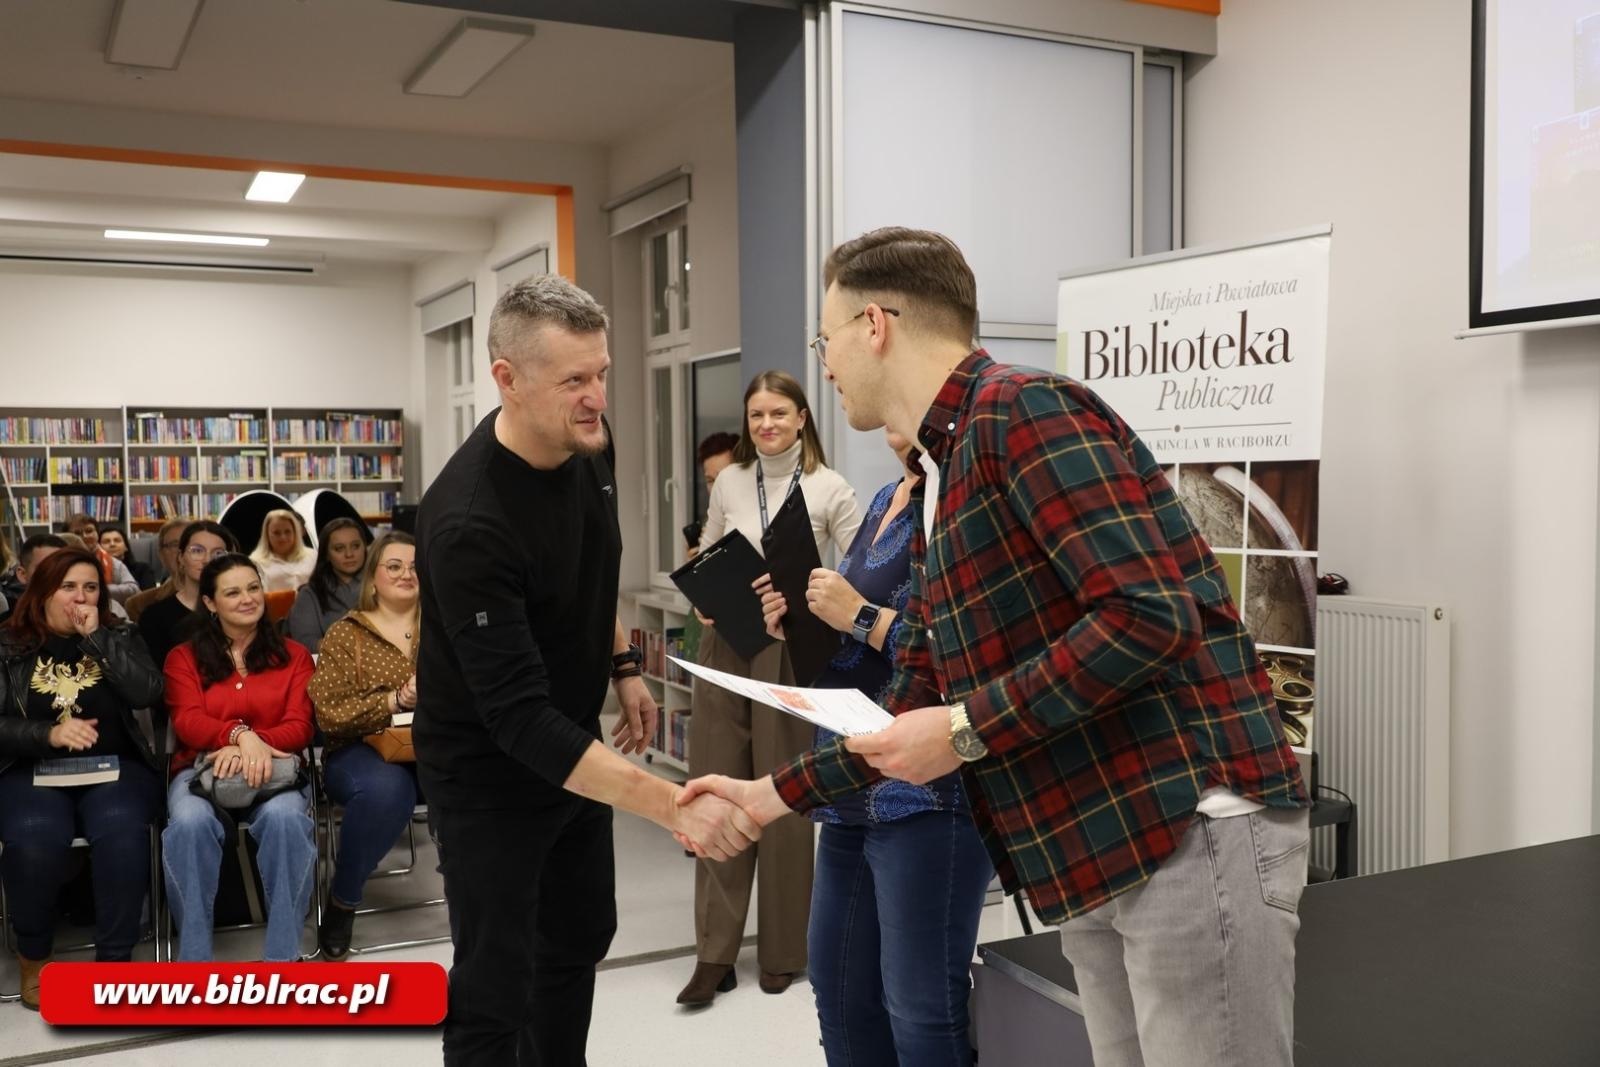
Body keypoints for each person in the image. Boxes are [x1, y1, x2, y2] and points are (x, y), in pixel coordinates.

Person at [682, 228, 1312, 1067]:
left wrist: (965, 728)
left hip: (1187, 825)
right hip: (1099, 845)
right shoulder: (947, 473)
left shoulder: (1022, 412)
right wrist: (766, 795)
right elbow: (915, 695)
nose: (823, 362)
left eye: (823, 337)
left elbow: (1148, 614)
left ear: (875, 324)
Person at [415, 274, 761, 1066]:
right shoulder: (470, 523)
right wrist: (675, 803)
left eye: (601, 371)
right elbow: (517, 718)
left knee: (576, 940)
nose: (597, 396)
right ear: (506, 379)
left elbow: (587, 571)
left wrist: (623, 666)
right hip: (490, 775)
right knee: (496, 982)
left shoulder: (588, 447)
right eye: (574, 379)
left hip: (574, 754)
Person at [755, 428, 992, 1064]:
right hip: (851, 775)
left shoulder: (966, 502)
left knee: (919, 1009)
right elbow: (854, 632)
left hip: (927, 790)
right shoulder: (889, 495)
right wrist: (801, 622)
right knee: (837, 992)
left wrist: (856, 615)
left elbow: (966, 657)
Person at [678, 369, 862, 1007]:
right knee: (713, 784)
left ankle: (785, 950)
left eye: (778, 413)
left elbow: (860, 574)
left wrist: (807, 607)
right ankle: (714, 955)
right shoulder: (730, 479)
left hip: (788, 652)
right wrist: (704, 599)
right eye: (756, 415)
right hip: (726, 644)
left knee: (783, 795)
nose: (766, 426)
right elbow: (708, 546)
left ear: (802, 417)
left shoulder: (829, 487)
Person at [0, 548, 165, 1009]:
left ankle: (114, 961)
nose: (81, 597)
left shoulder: (120, 633)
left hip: (113, 767)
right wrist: (46, 733)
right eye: (68, 587)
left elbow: (147, 693)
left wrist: (98, 641)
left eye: (90, 587)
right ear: (42, 591)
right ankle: (35, 956)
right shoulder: (7, 643)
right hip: (29, 769)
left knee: (122, 833)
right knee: (34, 838)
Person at [161, 553, 316, 962]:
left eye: (252, 588)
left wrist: (250, 743)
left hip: (275, 773)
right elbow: (188, 721)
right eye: (232, 592)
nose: (247, 599)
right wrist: (234, 736)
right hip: (201, 771)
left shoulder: (293, 654)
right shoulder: (183, 657)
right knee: (189, 825)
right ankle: (193, 960)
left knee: (286, 822)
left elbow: (300, 726)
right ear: (211, 603)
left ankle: (283, 958)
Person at [306, 531, 421, 959]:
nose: (407, 574)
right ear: (373, 577)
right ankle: (343, 899)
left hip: (437, 743)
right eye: (394, 566)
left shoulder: (446, 628)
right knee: (387, 790)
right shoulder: (345, 634)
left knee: (482, 777)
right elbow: (328, 714)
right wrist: (392, 701)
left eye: (414, 567)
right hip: (359, 750)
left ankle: (485, 896)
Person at [138, 521, 238, 671]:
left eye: (218, 553)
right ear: (181, 557)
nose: (207, 560)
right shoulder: (154, 617)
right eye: (197, 551)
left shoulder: (239, 608)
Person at [288, 517, 367, 654]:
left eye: (355, 546)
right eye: (339, 548)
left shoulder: (382, 586)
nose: (349, 554)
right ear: (327, 554)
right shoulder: (310, 594)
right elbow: (304, 643)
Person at [65, 514, 140, 606]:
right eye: (77, 533)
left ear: (97, 534)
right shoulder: (61, 562)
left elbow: (133, 590)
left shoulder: (112, 562)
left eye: (89, 531)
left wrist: (97, 589)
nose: (85, 536)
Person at [125, 517, 189, 622]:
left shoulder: (218, 595)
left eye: (189, 544)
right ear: (161, 555)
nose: (181, 551)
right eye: (174, 545)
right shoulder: (138, 605)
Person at [1, 534, 67, 619]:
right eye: (44, 568)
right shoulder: (7, 626)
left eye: (62, 567)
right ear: (22, 574)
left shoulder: (84, 623)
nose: (54, 574)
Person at [249, 508, 314, 593]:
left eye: (287, 532)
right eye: (276, 533)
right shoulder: (255, 562)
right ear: (267, 534)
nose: (283, 537)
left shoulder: (312, 555)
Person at [97, 526, 155, 591]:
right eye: (106, 542)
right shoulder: (95, 571)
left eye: (117, 540)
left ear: (126, 547)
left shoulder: (143, 569)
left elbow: (149, 597)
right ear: (99, 548)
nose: (112, 544)